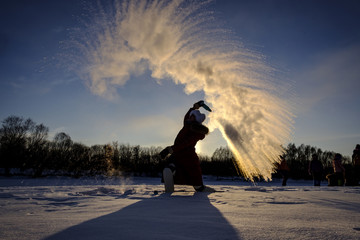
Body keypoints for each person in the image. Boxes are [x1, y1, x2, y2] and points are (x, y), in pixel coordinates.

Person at [160, 101, 214, 193]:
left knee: (193, 171)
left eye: (192, 117)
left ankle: (199, 186)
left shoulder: (196, 132)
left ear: (196, 120)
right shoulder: (187, 124)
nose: (190, 117)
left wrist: (170, 149)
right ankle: (171, 169)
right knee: (174, 165)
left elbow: (185, 143)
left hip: (188, 155)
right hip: (177, 153)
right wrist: (194, 107)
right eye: (191, 116)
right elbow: (187, 116)